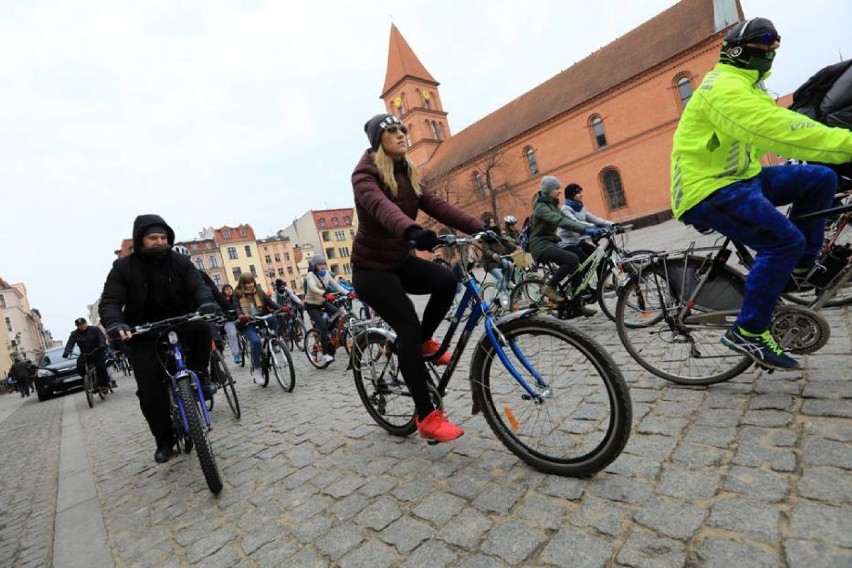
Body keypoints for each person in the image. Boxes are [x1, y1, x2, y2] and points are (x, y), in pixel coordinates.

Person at [670, 17, 852, 371]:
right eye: (765, 48)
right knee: (782, 241)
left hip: (743, 177)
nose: (770, 55)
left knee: (820, 179)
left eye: (773, 49)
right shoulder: (723, 89)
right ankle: (748, 330)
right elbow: (779, 131)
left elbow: (795, 124)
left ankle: (801, 267)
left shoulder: (750, 87)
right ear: (740, 52)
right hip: (708, 187)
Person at [351, 112, 487, 443]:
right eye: (392, 131)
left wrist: (484, 230)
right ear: (378, 140)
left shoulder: (408, 172)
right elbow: (383, 208)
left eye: (402, 129)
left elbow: (439, 206)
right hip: (370, 271)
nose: (401, 134)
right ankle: (426, 416)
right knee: (407, 327)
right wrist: (412, 229)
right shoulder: (365, 175)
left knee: (446, 281)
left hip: (398, 260)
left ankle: (423, 342)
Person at [99, 214, 218, 464]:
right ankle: (164, 441)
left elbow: (198, 285)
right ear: (141, 239)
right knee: (150, 394)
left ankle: (201, 374)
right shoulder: (123, 268)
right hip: (143, 331)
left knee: (202, 330)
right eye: (153, 238)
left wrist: (206, 302)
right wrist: (115, 322)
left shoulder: (180, 261)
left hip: (182, 319)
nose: (159, 241)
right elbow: (110, 300)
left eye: (163, 237)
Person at [529, 175, 601, 315]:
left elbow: (567, 219)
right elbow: (560, 220)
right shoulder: (541, 208)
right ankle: (549, 287)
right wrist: (585, 229)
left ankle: (577, 304)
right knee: (572, 259)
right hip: (540, 245)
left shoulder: (552, 204)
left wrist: (591, 227)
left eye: (559, 188)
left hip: (550, 243)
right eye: (556, 188)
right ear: (548, 189)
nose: (559, 191)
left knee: (577, 265)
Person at [232, 273, 281, 384]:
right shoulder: (237, 294)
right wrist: (240, 315)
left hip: (261, 317)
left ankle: (274, 342)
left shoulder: (258, 290)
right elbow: (236, 307)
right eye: (247, 283)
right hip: (247, 322)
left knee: (273, 318)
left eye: (251, 282)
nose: (250, 285)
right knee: (255, 342)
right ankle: (257, 370)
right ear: (242, 284)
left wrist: (281, 308)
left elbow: (269, 302)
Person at [304, 254, 349, 364]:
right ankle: (325, 354)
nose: (323, 266)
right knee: (323, 327)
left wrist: (349, 292)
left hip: (322, 302)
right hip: (311, 305)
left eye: (324, 264)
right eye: (320, 264)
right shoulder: (310, 275)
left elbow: (337, 286)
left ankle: (331, 335)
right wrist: (324, 294)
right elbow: (313, 288)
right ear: (315, 266)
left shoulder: (327, 274)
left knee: (339, 313)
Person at [557, 183, 614, 263]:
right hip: (566, 244)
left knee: (600, 258)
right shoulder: (565, 210)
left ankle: (598, 275)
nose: (581, 195)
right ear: (571, 195)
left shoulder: (580, 206)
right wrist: (594, 229)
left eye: (581, 192)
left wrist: (612, 224)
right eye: (578, 193)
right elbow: (575, 223)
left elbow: (594, 219)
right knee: (589, 264)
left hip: (576, 241)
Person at [63, 317, 112, 393]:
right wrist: (67, 352)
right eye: (79, 325)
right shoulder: (74, 334)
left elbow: (101, 338)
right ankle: (89, 380)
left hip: (97, 351)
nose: (82, 326)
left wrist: (102, 345)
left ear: (86, 323)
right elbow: (70, 343)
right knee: (80, 367)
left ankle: (104, 385)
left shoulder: (95, 329)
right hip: (85, 354)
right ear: (77, 326)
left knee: (101, 367)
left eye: (83, 324)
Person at [220, 284, 242, 364]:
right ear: (223, 291)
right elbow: (219, 310)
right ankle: (236, 354)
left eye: (230, 288)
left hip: (238, 318)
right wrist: (224, 315)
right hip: (228, 321)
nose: (229, 290)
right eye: (227, 289)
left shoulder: (235, 298)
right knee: (232, 335)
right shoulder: (221, 300)